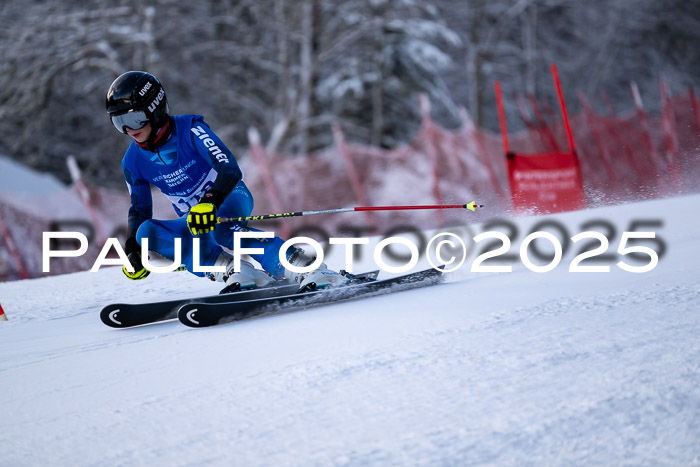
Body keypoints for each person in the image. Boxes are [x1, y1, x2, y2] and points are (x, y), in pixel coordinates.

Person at [105, 70, 346, 291]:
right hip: (195, 218)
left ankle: (306, 267)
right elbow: (139, 209)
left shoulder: (190, 130)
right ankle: (237, 271)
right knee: (146, 233)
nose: (128, 129)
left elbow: (228, 168)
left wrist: (210, 202)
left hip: (228, 197)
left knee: (222, 228)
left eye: (134, 118)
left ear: (154, 109)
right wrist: (133, 250)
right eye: (119, 122)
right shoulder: (132, 161)